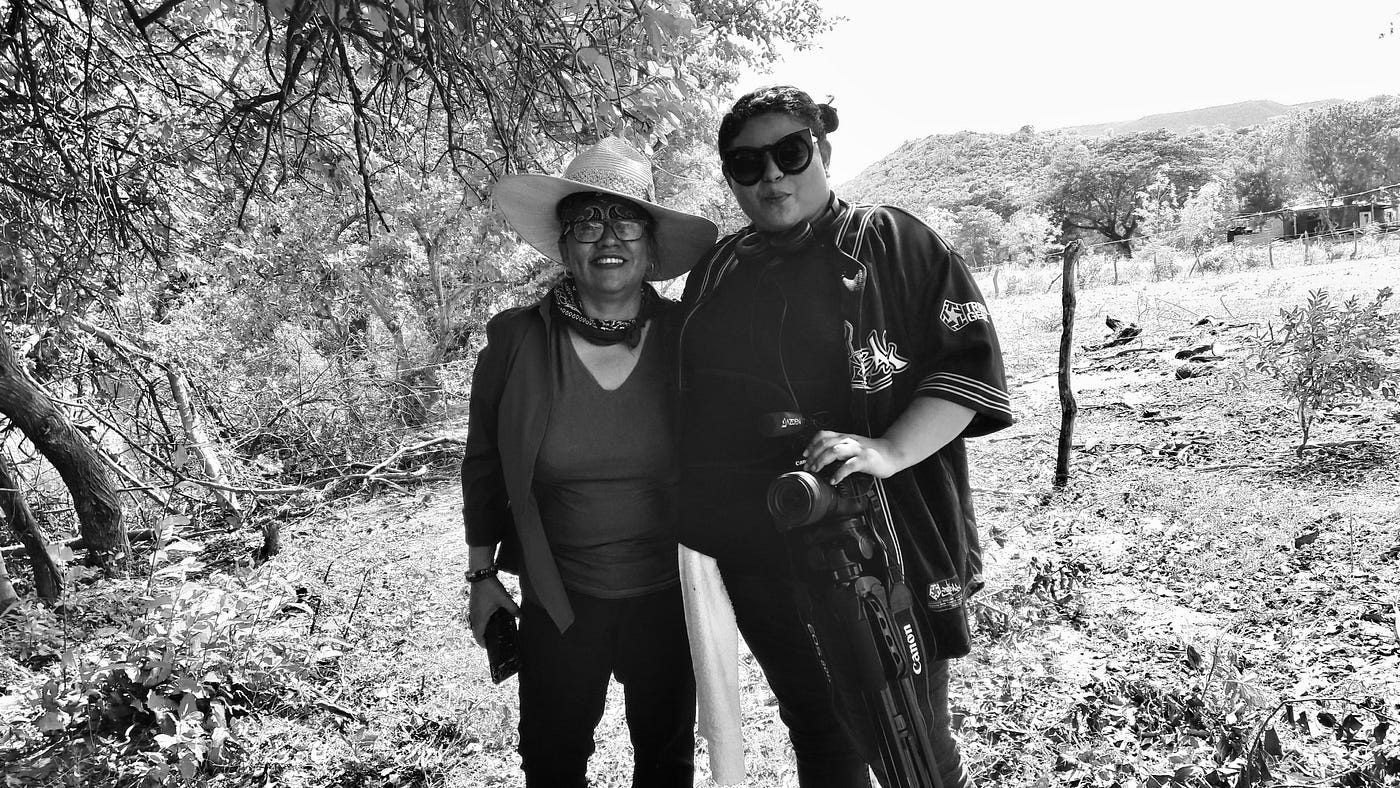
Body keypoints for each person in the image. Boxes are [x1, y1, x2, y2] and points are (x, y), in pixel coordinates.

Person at [676, 86, 1013, 788]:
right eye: (746, 164)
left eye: (788, 152)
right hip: (762, 547)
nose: (770, 176)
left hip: (886, 540)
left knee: (913, 728)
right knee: (818, 729)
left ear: (822, 150)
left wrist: (887, 452)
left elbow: (966, 367)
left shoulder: (895, 243)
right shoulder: (716, 273)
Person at [461, 137, 719, 788]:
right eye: (586, 219)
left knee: (666, 765)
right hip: (559, 597)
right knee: (552, 760)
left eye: (626, 218)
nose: (608, 236)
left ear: (651, 242)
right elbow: (485, 464)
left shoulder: (690, 340)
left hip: (670, 594)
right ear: (563, 243)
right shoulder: (515, 342)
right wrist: (482, 575)